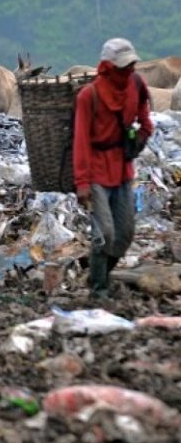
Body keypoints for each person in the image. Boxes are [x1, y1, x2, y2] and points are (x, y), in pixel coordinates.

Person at [73, 38, 153, 299]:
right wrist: (82, 182)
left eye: (131, 65)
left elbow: (144, 111)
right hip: (96, 170)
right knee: (105, 233)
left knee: (126, 233)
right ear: (107, 67)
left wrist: (143, 132)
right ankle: (98, 289)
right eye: (122, 67)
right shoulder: (89, 95)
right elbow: (81, 140)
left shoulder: (136, 85)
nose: (128, 71)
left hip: (122, 169)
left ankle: (100, 273)